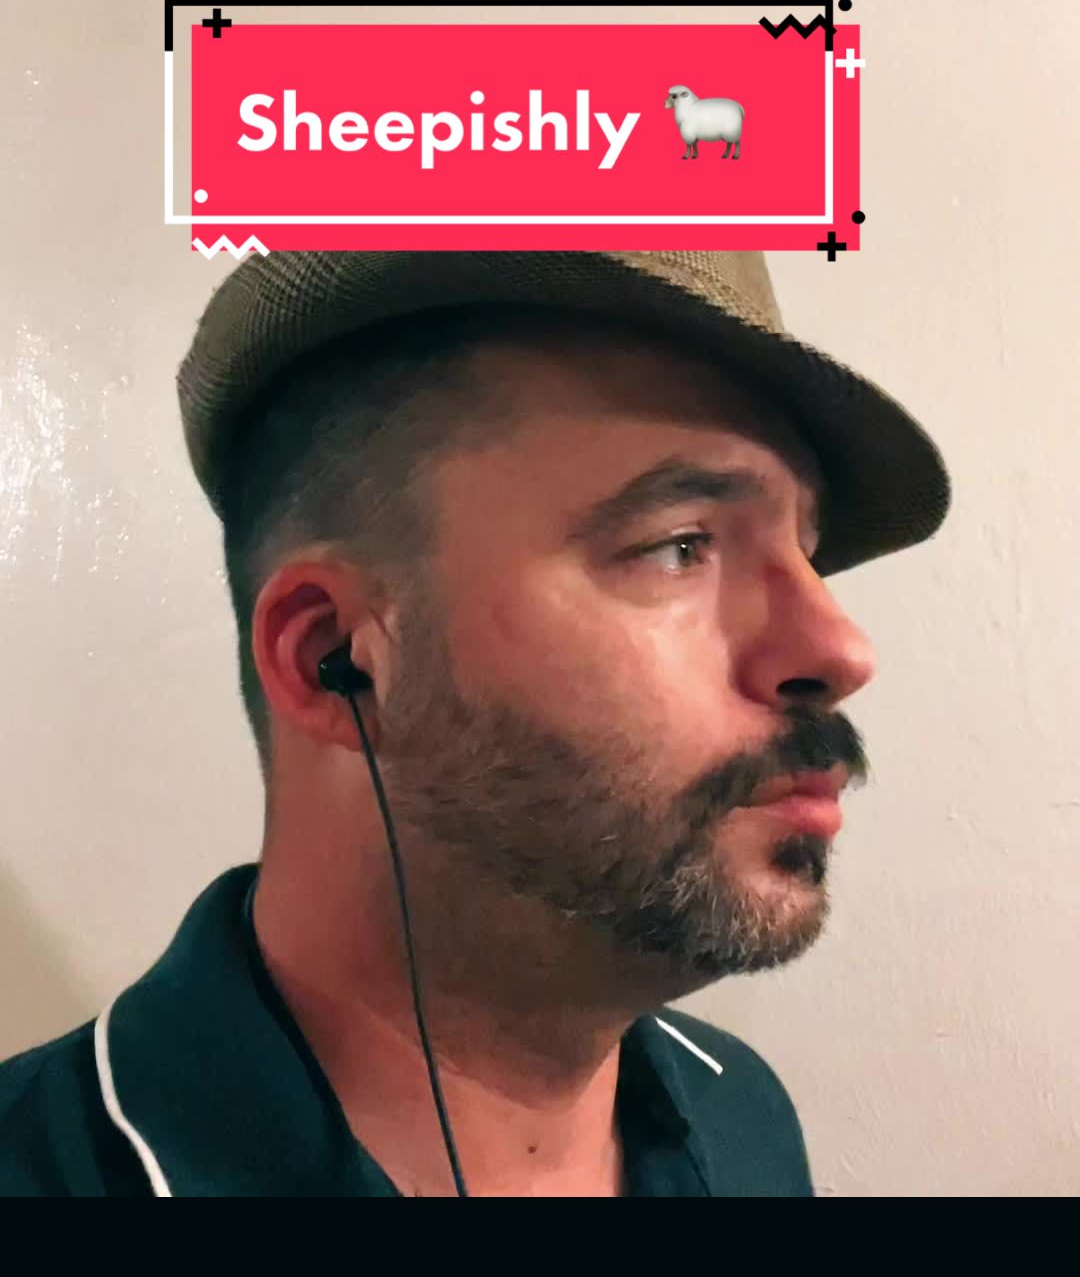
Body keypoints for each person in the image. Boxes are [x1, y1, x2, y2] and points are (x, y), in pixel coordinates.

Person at [0, 249, 951, 1197]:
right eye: (680, 546)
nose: (841, 649)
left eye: (807, 551)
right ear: (336, 657)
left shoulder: (739, 1116)